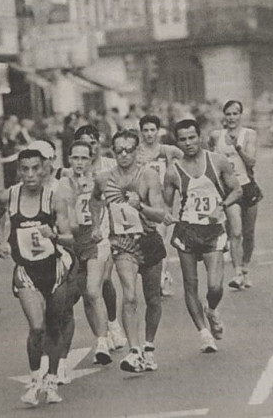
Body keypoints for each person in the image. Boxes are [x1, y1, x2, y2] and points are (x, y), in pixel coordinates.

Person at [0, 148, 73, 405]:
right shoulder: (8, 197)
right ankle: (36, 379)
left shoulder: (54, 199)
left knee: (54, 327)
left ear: (44, 168)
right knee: (37, 328)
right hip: (26, 272)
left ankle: (52, 379)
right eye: (25, 169)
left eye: (35, 168)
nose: (30, 174)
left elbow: (69, 236)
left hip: (55, 270)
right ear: (18, 171)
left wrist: (55, 235)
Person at [91, 129, 169, 373]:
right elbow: (94, 200)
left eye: (129, 150)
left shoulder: (149, 177)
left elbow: (160, 214)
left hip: (149, 240)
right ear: (113, 152)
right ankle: (133, 351)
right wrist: (96, 225)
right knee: (130, 295)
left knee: (153, 298)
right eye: (119, 150)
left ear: (137, 151)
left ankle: (148, 347)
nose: (124, 154)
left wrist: (141, 206)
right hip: (122, 243)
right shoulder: (103, 179)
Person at [163, 119, 242, 353]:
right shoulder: (173, 171)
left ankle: (212, 309)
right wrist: (165, 215)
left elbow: (237, 189)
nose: (188, 143)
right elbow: (165, 204)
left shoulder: (217, 161)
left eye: (191, 137)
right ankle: (204, 334)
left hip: (213, 228)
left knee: (215, 286)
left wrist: (222, 206)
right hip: (187, 230)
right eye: (182, 139)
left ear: (200, 136)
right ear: (177, 142)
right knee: (190, 284)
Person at [54, 140, 112, 368]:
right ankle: (100, 336)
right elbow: (66, 223)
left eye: (83, 158)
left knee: (93, 289)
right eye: (75, 158)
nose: (79, 163)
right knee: (78, 297)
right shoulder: (62, 185)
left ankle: (102, 343)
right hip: (72, 245)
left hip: (95, 240)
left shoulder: (99, 179)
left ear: (91, 159)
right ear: (69, 159)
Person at [73, 125, 127, 351]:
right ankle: (100, 336)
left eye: (92, 143)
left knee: (104, 280)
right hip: (81, 237)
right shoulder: (69, 172)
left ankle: (113, 324)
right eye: (83, 143)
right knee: (88, 289)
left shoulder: (110, 167)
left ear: (98, 143)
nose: (89, 148)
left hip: (107, 231)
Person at [209, 100, 262, 290]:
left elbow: (252, 161)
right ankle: (238, 273)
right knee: (236, 232)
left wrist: (237, 147)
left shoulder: (249, 135)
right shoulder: (216, 135)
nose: (231, 117)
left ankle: (245, 267)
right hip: (229, 190)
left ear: (241, 115)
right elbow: (209, 156)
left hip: (247, 186)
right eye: (228, 114)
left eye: (235, 114)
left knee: (248, 233)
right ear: (224, 116)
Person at [137, 114, 183, 296]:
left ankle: (162, 276)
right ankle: (154, 274)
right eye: (145, 130)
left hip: (163, 201)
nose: (149, 134)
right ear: (141, 132)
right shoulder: (136, 151)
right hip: (141, 203)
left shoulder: (168, 150)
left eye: (152, 130)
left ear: (158, 131)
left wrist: (175, 170)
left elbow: (187, 157)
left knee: (161, 239)